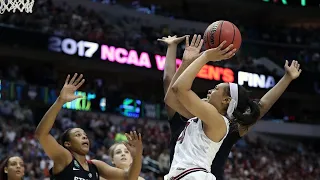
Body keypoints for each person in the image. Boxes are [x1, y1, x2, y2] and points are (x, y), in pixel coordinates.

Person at [159, 35, 302, 179]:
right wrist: (186, 62)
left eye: (215, 89)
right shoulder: (196, 117)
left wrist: (205, 56)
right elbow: (171, 97)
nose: (209, 91)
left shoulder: (220, 122)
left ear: (226, 100)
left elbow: (262, 106)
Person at [35, 73, 143, 180]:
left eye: (85, 135)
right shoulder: (65, 158)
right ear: (68, 144)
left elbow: (130, 177)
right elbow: (41, 134)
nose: (84, 137)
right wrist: (60, 101)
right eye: (78, 135)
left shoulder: (95, 166)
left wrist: (137, 155)